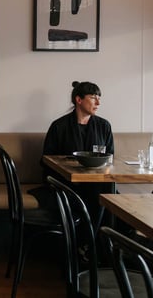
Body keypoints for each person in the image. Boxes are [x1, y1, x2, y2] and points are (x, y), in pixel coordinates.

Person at [33, 81, 115, 229]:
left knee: (108, 192)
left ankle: (98, 244)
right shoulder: (59, 126)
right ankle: (88, 243)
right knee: (98, 194)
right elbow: (46, 160)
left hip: (96, 181)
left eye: (99, 98)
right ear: (79, 100)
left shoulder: (104, 126)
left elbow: (110, 157)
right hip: (66, 182)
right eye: (93, 97)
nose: (98, 102)